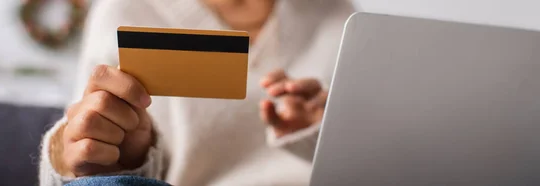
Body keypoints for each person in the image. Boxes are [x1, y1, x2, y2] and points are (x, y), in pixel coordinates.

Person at [39, 0, 356, 185]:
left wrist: (325, 132)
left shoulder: (337, 14)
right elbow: (81, 157)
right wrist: (115, 156)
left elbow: (367, 161)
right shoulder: (126, 10)